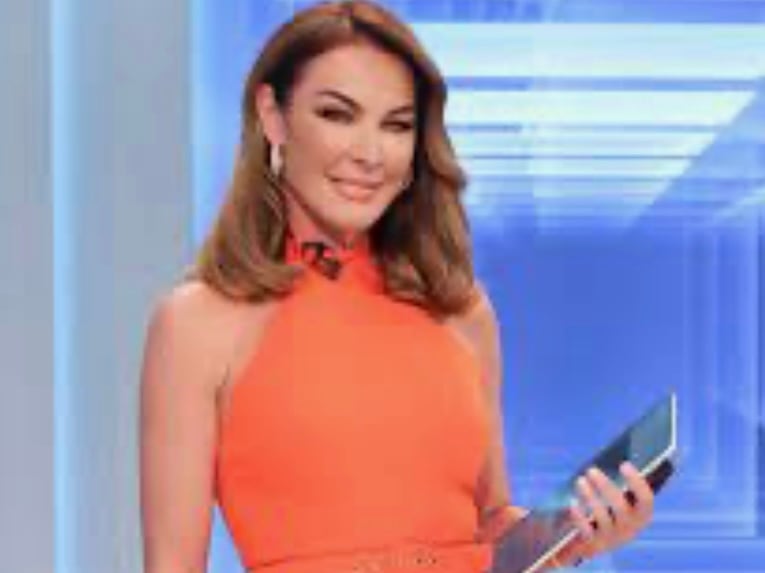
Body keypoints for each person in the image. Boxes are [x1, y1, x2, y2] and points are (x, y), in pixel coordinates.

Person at [139, 1, 656, 572]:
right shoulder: (197, 324)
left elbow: (491, 523)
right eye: (337, 115)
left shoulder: (460, 311)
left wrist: (576, 537)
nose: (369, 154)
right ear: (273, 116)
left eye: (396, 125)